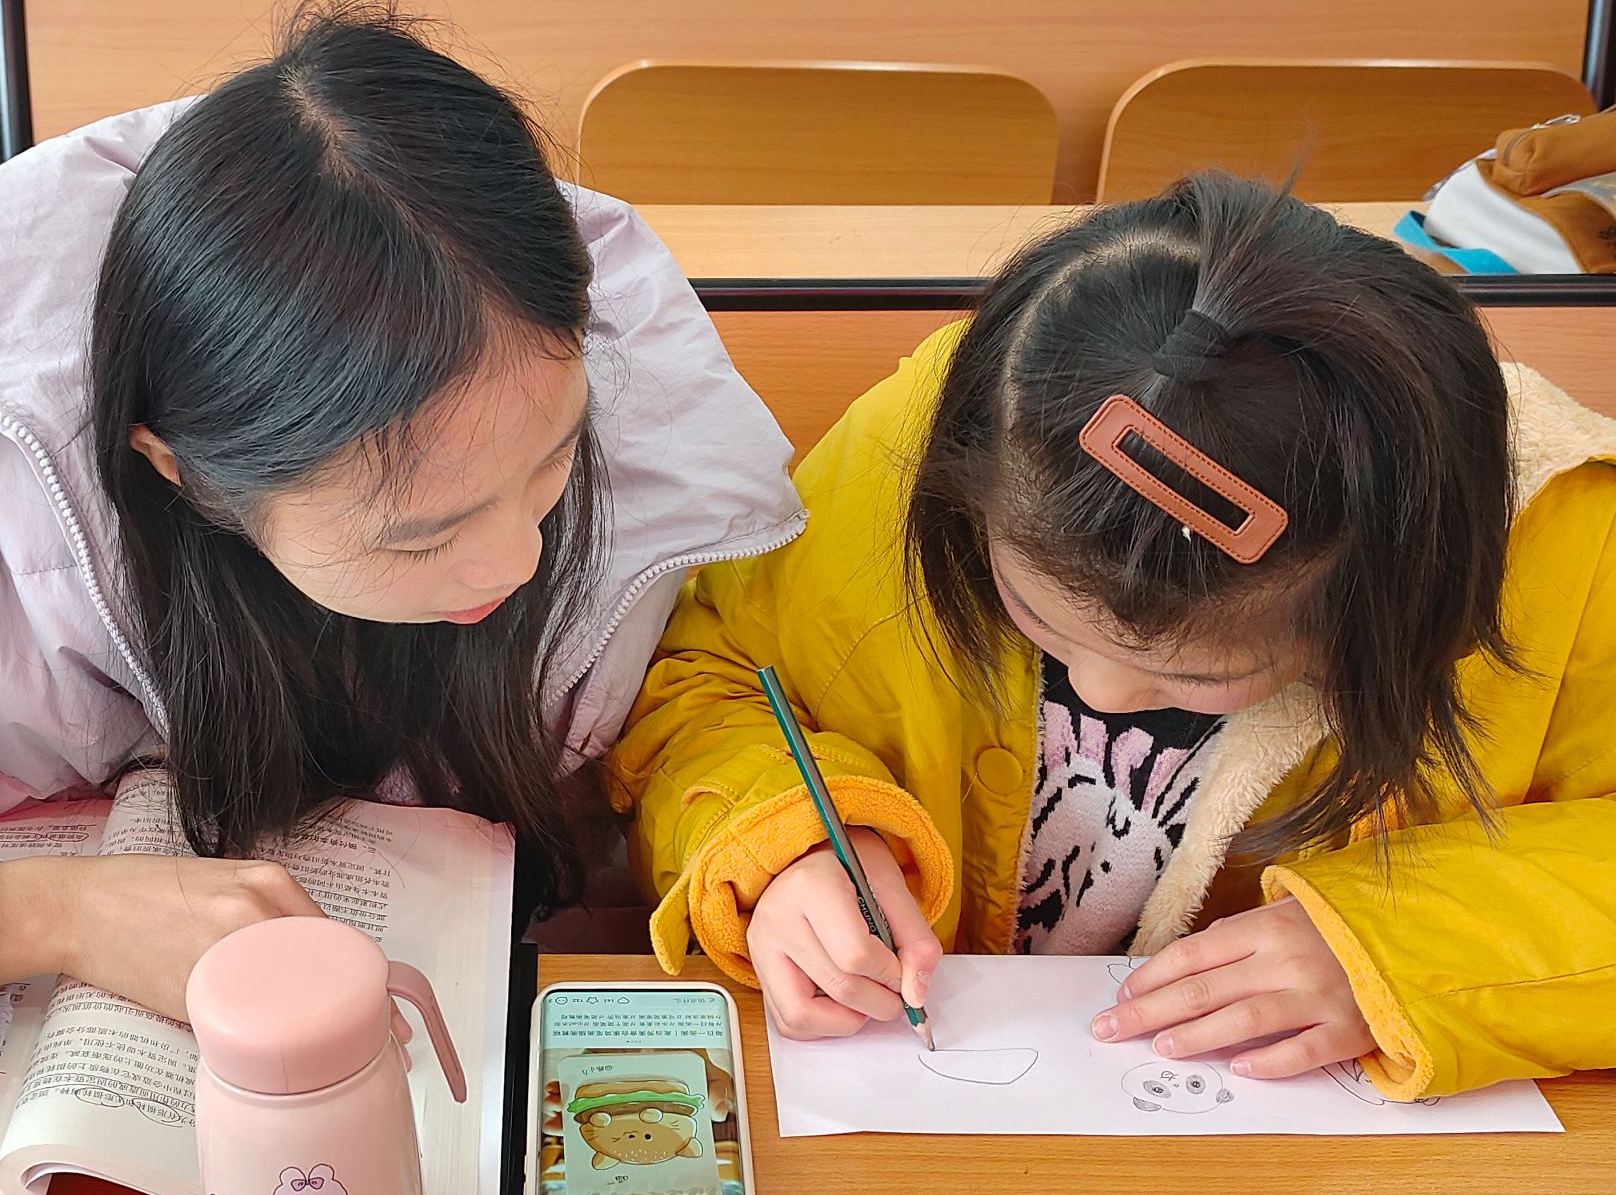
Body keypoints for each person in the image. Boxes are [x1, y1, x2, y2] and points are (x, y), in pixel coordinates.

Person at [0, 0, 800, 1192]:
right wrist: (13, 921)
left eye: (549, 462)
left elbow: (702, 708)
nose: (515, 561)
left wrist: (777, 844)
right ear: (178, 466)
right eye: (418, 535)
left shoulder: (638, 416)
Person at [611, 172, 1616, 1099]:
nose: (1099, 693)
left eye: (1193, 675)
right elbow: (706, 675)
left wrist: (1406, 950)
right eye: (1039, 616)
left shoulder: (1567, 553)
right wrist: (783, 842)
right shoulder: (952, 437)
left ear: (1392, 607)